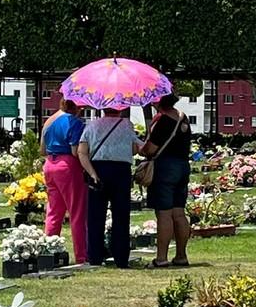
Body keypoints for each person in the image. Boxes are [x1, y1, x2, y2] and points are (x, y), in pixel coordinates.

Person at [78, 107, 141, 268]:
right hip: (121, 171)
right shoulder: (127, 125)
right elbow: (135, 149)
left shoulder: (91, 125)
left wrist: (92, 173)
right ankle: (121, 257)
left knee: (95, 216)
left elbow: (82, 152)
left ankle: (95, 256)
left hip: (98, 169)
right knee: (121, 216)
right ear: (120, 109)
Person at [140, 94, 192, 268]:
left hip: (164, 168)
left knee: (164, 213)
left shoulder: (162, 121)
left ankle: (161, 258)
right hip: (182, 166)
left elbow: (151, 148)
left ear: (158, 102)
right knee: (179, 212)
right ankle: (181, 255)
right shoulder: (182, 117)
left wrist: (142, 149)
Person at [40, 99, 87, 264]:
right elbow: (76, 151)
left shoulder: (51, 122)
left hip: (50, 165)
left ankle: (49, 251)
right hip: (67, 166)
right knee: (77, 212)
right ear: (76, 107)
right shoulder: (75, 123)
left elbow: (42, 150)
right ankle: (82, 255)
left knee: (54, 212)